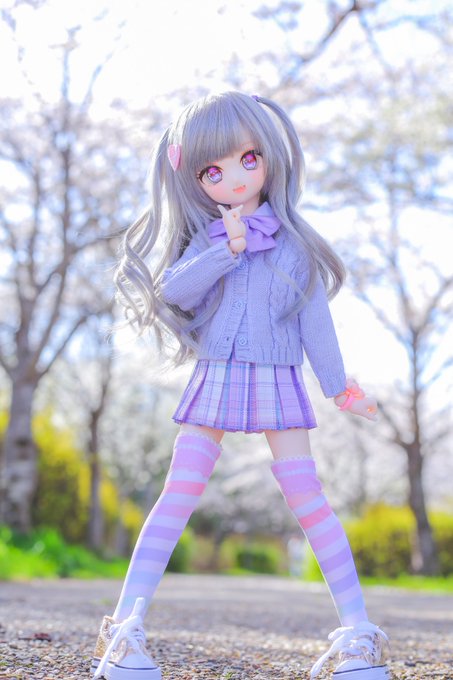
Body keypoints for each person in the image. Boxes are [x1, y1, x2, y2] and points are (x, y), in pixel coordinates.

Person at [91, 91, 390, 680]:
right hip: (218, 373)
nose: (234, 177)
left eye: (248, 159)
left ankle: (358, 635)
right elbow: (175, 292)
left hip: (278, 376)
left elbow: (315, 321)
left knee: (307, 497)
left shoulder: (296, 245)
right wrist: (225, 250)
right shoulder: (208, 239)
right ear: (193, 178)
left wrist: (337, 386)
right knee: (179, 493)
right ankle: (124, 630)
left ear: (271, 157)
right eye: (213, 170)